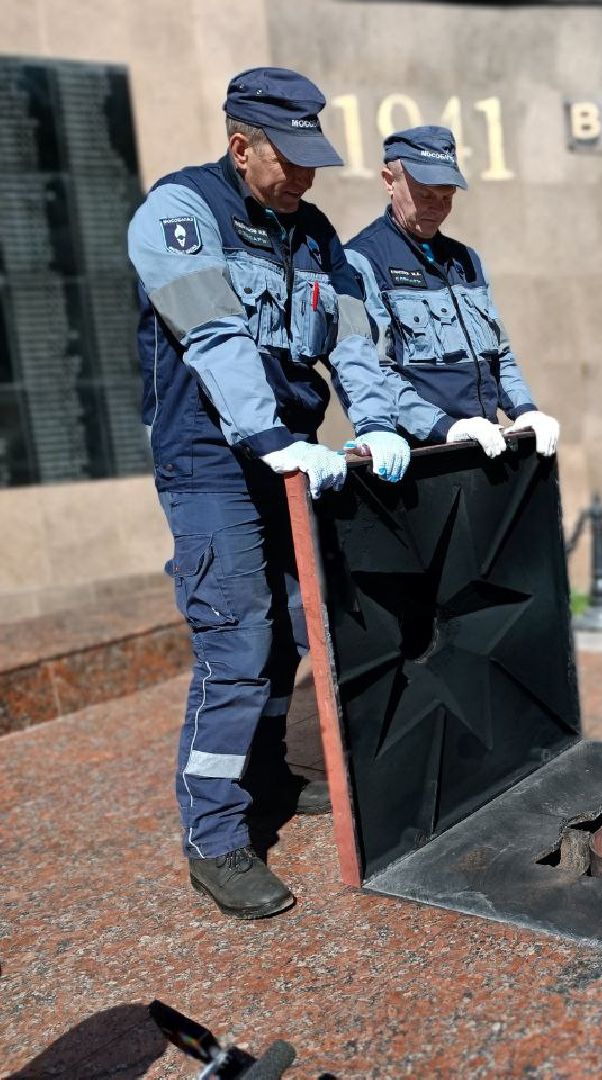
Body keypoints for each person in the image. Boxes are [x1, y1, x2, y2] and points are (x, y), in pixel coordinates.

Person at [127, 67, 414, 919]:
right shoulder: (178, 215)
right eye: (286, 159)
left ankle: (261, 780)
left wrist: (380, 423)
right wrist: (271, 438)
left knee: (295, 628)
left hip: (287, 455)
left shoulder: (316, 233)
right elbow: (213, 334)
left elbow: (353, 341)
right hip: (214, 457)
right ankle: (215, 837)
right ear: (239, 144)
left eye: (313, 159)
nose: (304, 177)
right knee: (237, 643)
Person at [344, 125, 560, 456]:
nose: (437, 208)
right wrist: (445, 427)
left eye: (447, 197)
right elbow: (376, 371)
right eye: (426, 195)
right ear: (389, 181)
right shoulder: (363, 259)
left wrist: (525, 409)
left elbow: (499, 355)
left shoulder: (466, 260)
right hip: (422, 453)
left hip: (486, 442)